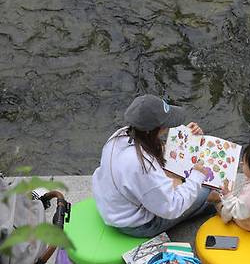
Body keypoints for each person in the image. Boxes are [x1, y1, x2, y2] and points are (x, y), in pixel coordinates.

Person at [92, 94, 217, 238]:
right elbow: (172, 207)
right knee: (205, 190)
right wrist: (197, 176)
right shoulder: (142, 165)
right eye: (165, 124)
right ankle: (210, 204)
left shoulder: (120, 135)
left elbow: (155, 153)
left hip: (113, 206)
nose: (168, 126)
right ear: (153, 130)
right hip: (134, 224)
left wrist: (187, 138)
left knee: (184, 183)